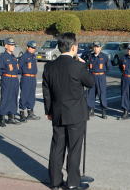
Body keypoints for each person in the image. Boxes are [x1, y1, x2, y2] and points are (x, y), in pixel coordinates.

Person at [43, 32, 94, 190]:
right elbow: (91, 82)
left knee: (57, 147)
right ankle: (72, 183)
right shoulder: (78, 66)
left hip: (57, 112)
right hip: (76, 114)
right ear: (73, 47)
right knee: (74, 148)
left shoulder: (49, 66)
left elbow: (47, 91)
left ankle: (55, 182)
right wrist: (83, 64)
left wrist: (49, 111)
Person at [0, 37, 21, 126]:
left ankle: (11, 117)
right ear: (6, 46)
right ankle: (2, 117)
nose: (13, 47)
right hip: (7, 79)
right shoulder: (3, 57)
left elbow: (17, 69)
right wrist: (5, 73)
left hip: (14, 79)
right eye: (11, 45)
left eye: (14, 45)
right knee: (5, 98)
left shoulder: (13, 57)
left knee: (14, 98)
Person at [86, 41, 111, 119]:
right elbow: (86, 66)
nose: (96, 48)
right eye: (95, 47)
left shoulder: (104, 57)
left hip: (101, 78)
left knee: (102, 94)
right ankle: (91, 110)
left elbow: (109, 68)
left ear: (100, 48)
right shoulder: (90, 56)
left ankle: (103, 111)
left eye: (97, 47)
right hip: (92, 77)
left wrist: (102, 74)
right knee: (91, 94)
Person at [18, 40, 40, 122]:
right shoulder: (24, 56)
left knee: (31, 95)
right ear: (27, 47)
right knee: (24, 95)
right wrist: (23, 73)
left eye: (34, 48)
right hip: (26, 78)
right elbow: (19, 67)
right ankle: (22, 113)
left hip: (33, 78)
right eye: (31, 47)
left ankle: (30, 113)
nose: (33, 49)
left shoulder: (33, 56)